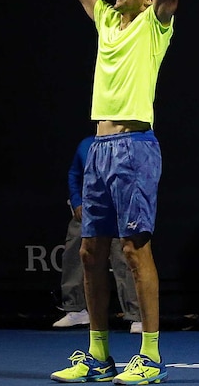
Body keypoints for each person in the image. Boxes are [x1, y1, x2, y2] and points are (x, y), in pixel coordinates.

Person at [31, 0, 194, 385]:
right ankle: (98, 353)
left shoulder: (155, 25)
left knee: (134, 248)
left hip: (135, 148)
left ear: (148, 0)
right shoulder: (105, 21)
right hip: (99, 149)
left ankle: (148, 354)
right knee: (89, 250)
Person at [53, 134, 142, 335]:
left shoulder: (131, 144)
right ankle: (76, 309)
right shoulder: (86, 144)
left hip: (119, 212)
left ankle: (136, 315)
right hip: (90, 211)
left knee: (124, 261)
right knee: (75, 256)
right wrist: (77, 202)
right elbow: (74, 174)